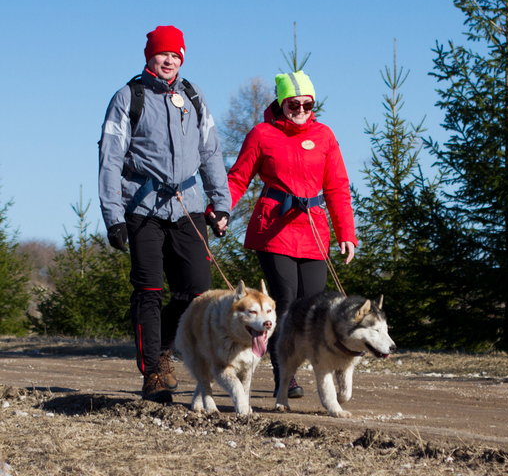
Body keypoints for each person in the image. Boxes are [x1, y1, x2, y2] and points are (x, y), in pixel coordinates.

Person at [98, 25, 231, 403]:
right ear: (149, 57)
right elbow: (109, 159)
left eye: (176, 55)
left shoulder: (194, 96)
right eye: (162, 54)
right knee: (149, 292)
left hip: (187, 208)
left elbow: (211, 152)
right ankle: (153, 372)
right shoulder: (128, 98)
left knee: (196, 292)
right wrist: (113, 216)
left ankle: (165, 350)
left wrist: (220, 203)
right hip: (142, 208)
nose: (169, 60)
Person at [212, 70, 357, 398]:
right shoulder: (262, 134)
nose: (302, 109)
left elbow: (337, 187)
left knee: (316, 310)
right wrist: (221, 210)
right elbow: (238, 178)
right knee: (283, 305)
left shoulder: (324, 135)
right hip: (274, 229)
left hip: (313, 231)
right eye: (294, 104)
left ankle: (319, 369)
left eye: (308, 104)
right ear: (281, 102)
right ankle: (285, 378)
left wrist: (346, 232)